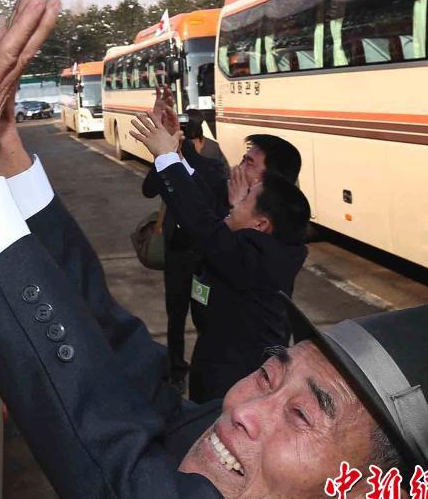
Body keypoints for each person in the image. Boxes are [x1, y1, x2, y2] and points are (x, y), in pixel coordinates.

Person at [0, 0, 428, 499]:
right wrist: (7, 151)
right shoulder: (233, 429)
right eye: (269, 375)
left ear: (372, 498)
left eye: (303, 415)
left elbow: (127, 492)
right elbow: (118, 355)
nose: (246, 409)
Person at [132, 110, 311, 401]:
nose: (238, 166)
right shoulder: (259, 224)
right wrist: (175, 155)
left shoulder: (261, 253)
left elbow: (204, 225)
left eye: (249, 162)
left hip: (236, 376)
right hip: (214, 355)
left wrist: (166, 157)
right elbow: (207, 209)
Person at [140, 114, 229, 392]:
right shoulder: (169, 159)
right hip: (178, 249)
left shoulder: (211, 160)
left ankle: (200, 365)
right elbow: (148, 189)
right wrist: (163, 156)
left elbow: (216, 194)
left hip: (203, 253)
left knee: (203, 313)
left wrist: (179, 157)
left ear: (197, 140)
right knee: (177, 313)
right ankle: (177, 368)